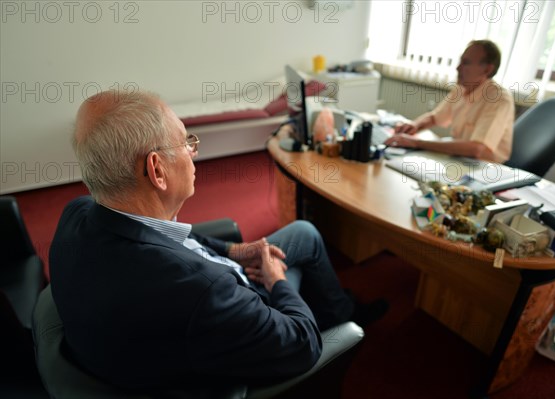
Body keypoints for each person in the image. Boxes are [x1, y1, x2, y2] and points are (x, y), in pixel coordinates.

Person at [50, 90, 386, 391]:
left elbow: (171, 235)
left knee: (304, 233)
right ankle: (340, 321)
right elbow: (302, 344)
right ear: (157, 170)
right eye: (184, 143)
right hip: (250, 309)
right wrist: (276, 281)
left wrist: (235, 250)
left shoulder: (78, 214)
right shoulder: (203, 292)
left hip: (212, 299)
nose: (193, 152)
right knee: (303, 250)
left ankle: (339, 306)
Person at [385, 40, 515, 163]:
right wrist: (414, 125)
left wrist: (416, 143)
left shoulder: (498, 99)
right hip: (459, 159)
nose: (458, 68)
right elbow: (435, 117)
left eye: (466, 63)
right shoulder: (461, 89)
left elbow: (477, 149)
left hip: (484, 169)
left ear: (487, 70)